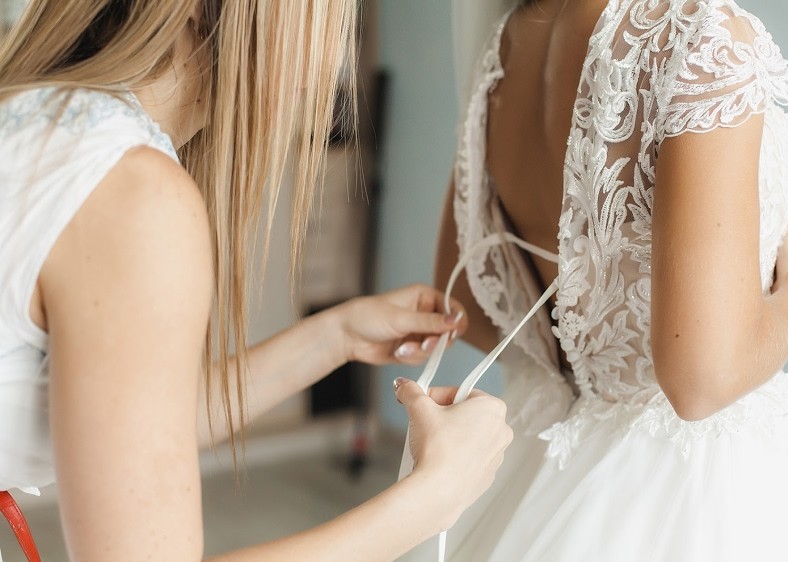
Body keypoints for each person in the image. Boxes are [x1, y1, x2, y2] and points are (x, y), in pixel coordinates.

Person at [0, 1, 515, 560]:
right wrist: (434, 496)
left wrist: (337, 335)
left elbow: (130, 424)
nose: (330, 62)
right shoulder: (128, 194)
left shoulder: (39, 120)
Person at [402, 0, 788, 560]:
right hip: (695, 484)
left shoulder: (509, 42)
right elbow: (703, 382)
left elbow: (465, 301)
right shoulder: (700, 40)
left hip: (548, 459)